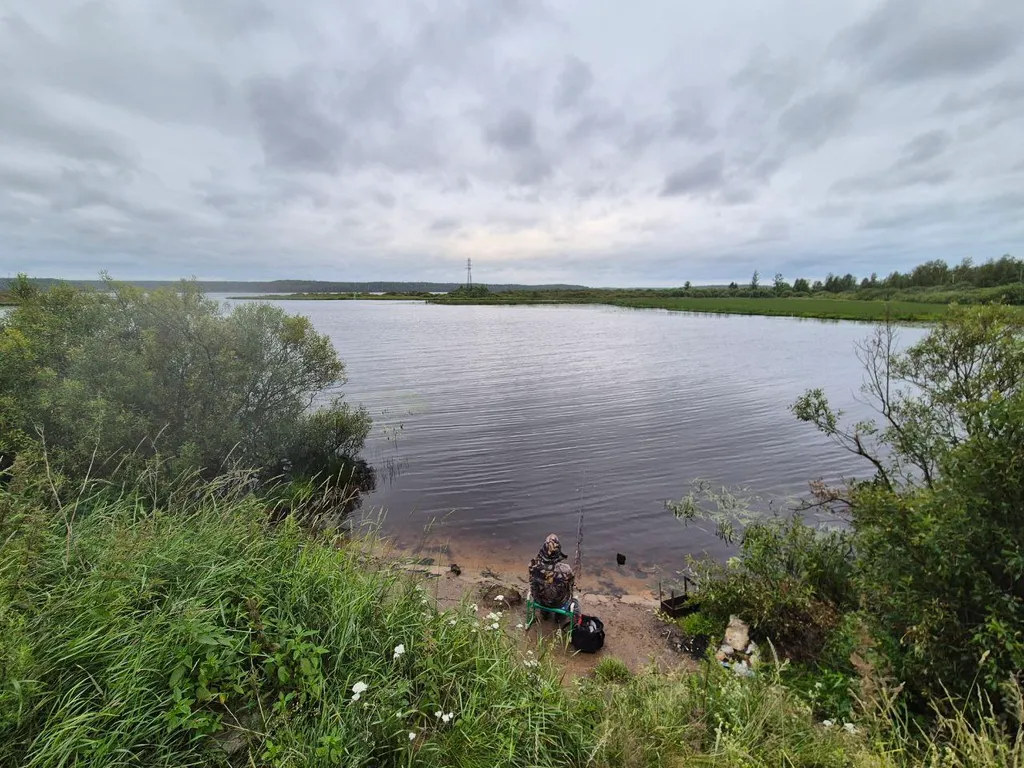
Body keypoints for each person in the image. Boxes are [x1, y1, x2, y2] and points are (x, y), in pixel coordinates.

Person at [528, 533, 575, 614]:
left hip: (539, 600)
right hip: (559, 603)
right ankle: (559, 617)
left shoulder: (533, 564)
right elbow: (570, 586)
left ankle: (544, 613)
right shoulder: (566, 569)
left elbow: (532, 581)